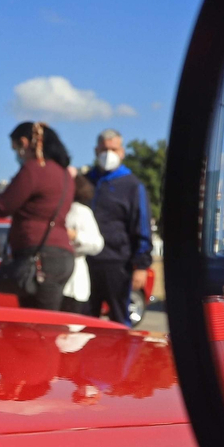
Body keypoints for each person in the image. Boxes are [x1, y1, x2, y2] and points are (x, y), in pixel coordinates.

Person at [0, 121, 75, 311]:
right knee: (48, 316)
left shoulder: (34, 169)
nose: (17, 155)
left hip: (38, 255)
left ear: (24, 142)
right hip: (61, 254)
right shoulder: (65, 175)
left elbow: (2, 206)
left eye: (15, 149)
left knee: (37, 320)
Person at [85, 128, 154, 324]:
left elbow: (142, 226)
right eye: (104, 150)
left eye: (113, 149)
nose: (108, 154)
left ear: (122, 152)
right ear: (96, 151)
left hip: (118, 264)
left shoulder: (133, 185)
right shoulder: (87, 181)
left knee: (119, 319)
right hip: (87, 262)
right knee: (84, 320)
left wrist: (141, 266)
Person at [63, 173, 105, 315]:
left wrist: (76, 236)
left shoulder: (80, 212)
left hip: (73, 285)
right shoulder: (48, 208)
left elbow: (97, 244)